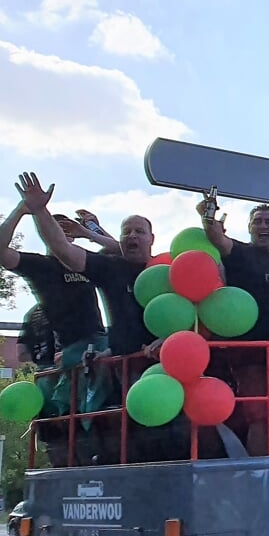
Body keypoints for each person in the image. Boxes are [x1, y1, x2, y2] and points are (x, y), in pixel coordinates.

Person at [15, 173, 165, 462]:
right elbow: (64, 249)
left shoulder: (166, 268)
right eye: (127, 232)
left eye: (139, 231)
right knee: (119, 430)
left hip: (167, 367)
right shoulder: (110, 268)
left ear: (152, 238)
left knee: (162, 432)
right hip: (123, 367)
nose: (132, 236)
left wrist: (167, 340)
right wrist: (39, 210)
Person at [0, 197, 113, 467]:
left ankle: (99, 437)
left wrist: (92, 229)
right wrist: (22, 209)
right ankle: (79, 441)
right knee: (71, 393)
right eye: (56, 230)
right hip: (72, 347)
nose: (63, 236)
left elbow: (121, 253)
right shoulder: (42, 267)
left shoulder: (85, 263)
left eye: (67, 231)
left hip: (99, 340)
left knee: (118, 350)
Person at [198, 197, 269, 455]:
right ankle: (257, 473)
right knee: (259, 415)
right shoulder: (238, 251)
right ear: (249, 227)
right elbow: (216, 236)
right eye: (257, 221)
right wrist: (208, 215)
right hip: (245, 354)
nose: (264, 226)